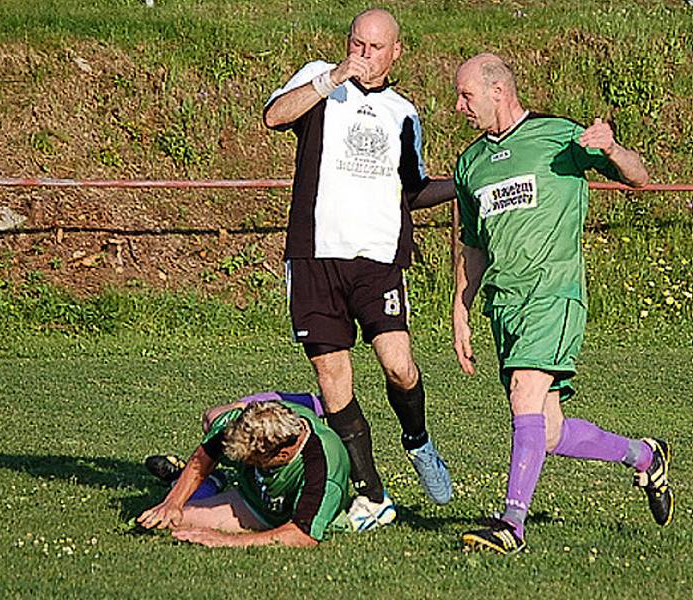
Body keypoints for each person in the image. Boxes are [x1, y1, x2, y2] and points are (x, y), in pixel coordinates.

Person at [451, 53, 673, 554]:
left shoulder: (558, 137)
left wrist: (613, 149)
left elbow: (638, 178)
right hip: (505, 304)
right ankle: (645, 456)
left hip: (553, 295)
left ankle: (511, 525)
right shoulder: (470, 164)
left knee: (524, 397)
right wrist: (460, 309)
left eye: (466, 95)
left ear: (498, 92)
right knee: (547, 431)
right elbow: (473, 248)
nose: (459, 105)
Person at [262, 7, 455, 531]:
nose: (362, 56)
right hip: (316, 254)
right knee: (333, 378)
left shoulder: (404, 113)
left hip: (378, 259)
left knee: (399, 365)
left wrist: (462, 182)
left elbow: (413, 190)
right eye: (356, 44)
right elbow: (274, 116)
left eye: (374, 48)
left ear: (396, 53)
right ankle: (373, 495)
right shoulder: (319, 79)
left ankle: (417, 441)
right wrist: (331, 78)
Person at [138, 397, 351, 547]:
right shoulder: (248, 423)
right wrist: (172, 503)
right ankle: (210, 482)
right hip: (252, 496)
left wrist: (226, 541)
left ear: (283, 455)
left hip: (272, 515)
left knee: (181, 525)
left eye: (252, 461)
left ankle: (209, 486)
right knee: (167, 521)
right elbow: (205, 454)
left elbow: (303, 536)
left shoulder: (324, 466)